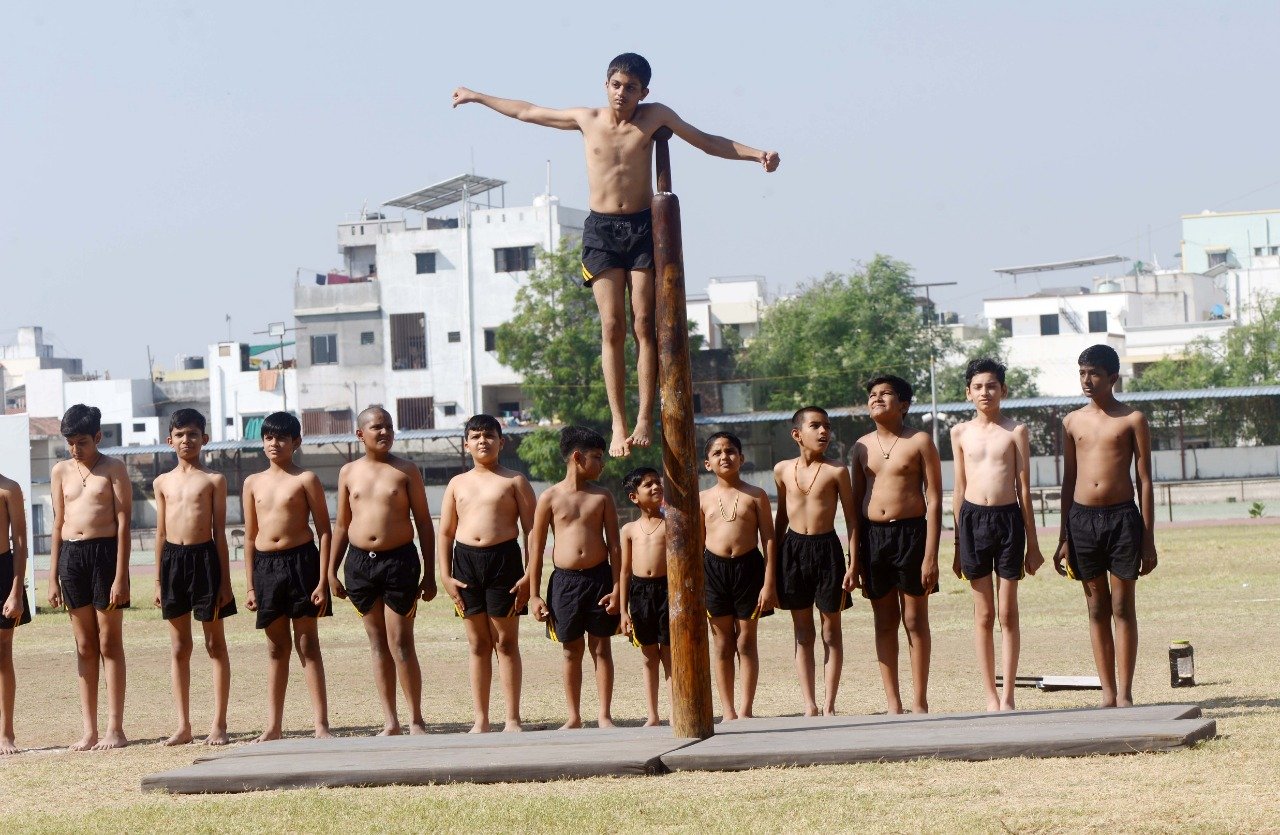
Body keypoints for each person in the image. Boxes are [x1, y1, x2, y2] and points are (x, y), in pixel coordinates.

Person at [453, 53, 779, 458]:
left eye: (630, 87)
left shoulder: (655, 116)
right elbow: (527, 111)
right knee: (612, 327)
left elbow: (706, 140)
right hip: (602, 231)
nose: (622, 93)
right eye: (616, 85)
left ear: (644, 92)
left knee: (645, 324)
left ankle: (644, 417)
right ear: (606, 85)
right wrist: (476, 96)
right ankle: (619, 424)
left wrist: (756, 154)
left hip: (643, 229)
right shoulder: (587, 119)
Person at [1053, 344, 1157, 708]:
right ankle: (1107, 693)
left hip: (1123, 519)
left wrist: (1148, 538)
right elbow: (1068, 481)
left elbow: (1144, 480)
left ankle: (1126, 693)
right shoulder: (1071, 422)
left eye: (1094, 373)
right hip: (1082, 521)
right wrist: (1064, 535)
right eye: (1082, 372)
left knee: (1122, 606)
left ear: (1112, 377)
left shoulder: (1132, 419)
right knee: (1096, 607)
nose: (1086, 380)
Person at [329, 406, 437, 735]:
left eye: (389, 426)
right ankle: (390, 721)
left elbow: (424, 524)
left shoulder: (406, 471)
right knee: (377, 643)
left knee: (401, 642)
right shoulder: (348, 472)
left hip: (400, 562)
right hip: (360, 563)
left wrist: (430, 574)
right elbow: (342, 525)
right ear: (360, 434)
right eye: (377, 427)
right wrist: (330, 571)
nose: (384, 432)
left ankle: (415, 718)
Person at [950, 359, 1044, 711]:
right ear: (968, 393)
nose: (985, 392)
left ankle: (1008, 696)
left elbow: (1024, 489)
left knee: (1008, 611)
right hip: (973, 520)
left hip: (1008, 521)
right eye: (978, 387)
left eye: (991, 386)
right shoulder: (960, 433)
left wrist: (1032, 545)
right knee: (984, 614)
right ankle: (990, 695)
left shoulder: (1015, 430)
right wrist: (958, 543)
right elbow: (958, 489)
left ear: (1003, 390)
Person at [847, 375, 942, 715]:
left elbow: (934, 500)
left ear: (903, 404)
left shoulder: (919, 441)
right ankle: (893, 703)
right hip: (874, 539)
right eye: (872, 394)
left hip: (912, 536)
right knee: (884, 621)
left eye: (886, 394)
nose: (877, 398)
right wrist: (854, 560)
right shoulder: (860, 447)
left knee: (915, 620)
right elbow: (855, 507)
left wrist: (930, 556)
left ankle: (919, 701)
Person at [438, 414, 536, 733]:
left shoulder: (514, 481)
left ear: (501, 441)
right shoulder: (457, 484)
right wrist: (445, 574)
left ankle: (512, 718)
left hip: (504, 561)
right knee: (478, 644)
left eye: (489, 435)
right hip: (465, 563)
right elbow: (446, 532)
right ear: (467, 444)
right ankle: (481, 719)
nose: (483, 441)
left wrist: (530, 574)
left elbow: (531, 530)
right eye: (476, 436)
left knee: (506, 643)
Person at [241, 411, 333, 741]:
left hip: (302, 564)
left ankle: (321, 724)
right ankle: (274, 725)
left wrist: (323, 580)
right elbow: (250, 537)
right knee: (276, 648)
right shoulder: (252, 483)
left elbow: (324, 530)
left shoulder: (305, 479)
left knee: (307, 644)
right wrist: (251, 584)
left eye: (281, 438)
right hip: (267, 568)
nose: (274, 443)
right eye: (268, 437)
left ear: (296, 442)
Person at [48, 404, 131, 750]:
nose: (75, 449)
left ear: (97, 437)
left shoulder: (114, 468)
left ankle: (115, 728)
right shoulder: (60, 471)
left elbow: (125, 521)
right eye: (70, 442)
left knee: (109, 642)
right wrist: (51, 576)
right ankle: (89, 729)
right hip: (71, 557)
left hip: (105, 555)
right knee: (84, 645)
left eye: (81, 441)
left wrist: (121, 575)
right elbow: (57, 522)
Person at [528, 426, 621, 729]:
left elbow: (616, 546)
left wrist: (618, 587)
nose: (602, 463)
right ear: (577, 457)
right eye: (597, 457)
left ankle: (604, 715)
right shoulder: (550, 497)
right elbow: (536, 547)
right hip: (565, 582)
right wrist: (534, 595)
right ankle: (574, 716)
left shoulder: (602, 497)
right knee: (571, 649)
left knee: (601, 647)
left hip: (600, 580)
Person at [153, 409, 237, 746]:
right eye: (180, 434)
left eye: (192, 434)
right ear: (169, 439)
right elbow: (160, 534)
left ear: (204, 438)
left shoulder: (214, 480)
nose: (186, 440)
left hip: (205, 560)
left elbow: (219, 531)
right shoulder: (162, 482)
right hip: (173, 561)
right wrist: (159, 581)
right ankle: (183, 725)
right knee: (179, 647)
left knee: (214, 644)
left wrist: (226, 583)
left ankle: (219, 723)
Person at [773, 406, 856, 717]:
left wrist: (853, 563)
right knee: (803, 631)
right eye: (816, 426)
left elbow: (851, 520)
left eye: (827, 427)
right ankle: (809, 703)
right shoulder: (782, 470)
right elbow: (781, 517)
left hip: (827, 550)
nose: (824, 432)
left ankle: (830, 703)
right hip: (792, 549)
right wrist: (774, 561)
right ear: (797, 434)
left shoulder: (836, 471)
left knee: (831, 630)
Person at [700, 432, 776, 721]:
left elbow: (768, 539)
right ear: (707, 463)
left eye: (730, 451)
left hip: (749, 569)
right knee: (722, 642)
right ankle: (728, 710)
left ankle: (746, 709)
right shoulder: (703, 498)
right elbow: (697, 546)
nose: (724, 457)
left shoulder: (755, 495)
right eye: (717, 453)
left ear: (741, 458)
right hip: (714, 572)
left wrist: (769, 583)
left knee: (745, 641)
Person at [617, 465, 671, 727]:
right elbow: (625, 571)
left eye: (657, 482)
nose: (655, 487)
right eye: (648, 484)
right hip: (640, 593)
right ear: (633, 497)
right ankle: (652, 714)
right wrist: (623, 611)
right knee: (649, 655)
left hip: (667, 591)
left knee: (670, 653)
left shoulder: (671, 523)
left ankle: (675, 709)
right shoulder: (629, 529)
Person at [0, 471, 30, 755]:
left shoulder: (9, 488)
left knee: (2, 652)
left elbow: (19, 541)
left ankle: (6, 732)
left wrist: (16, 590)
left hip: (3, 571)